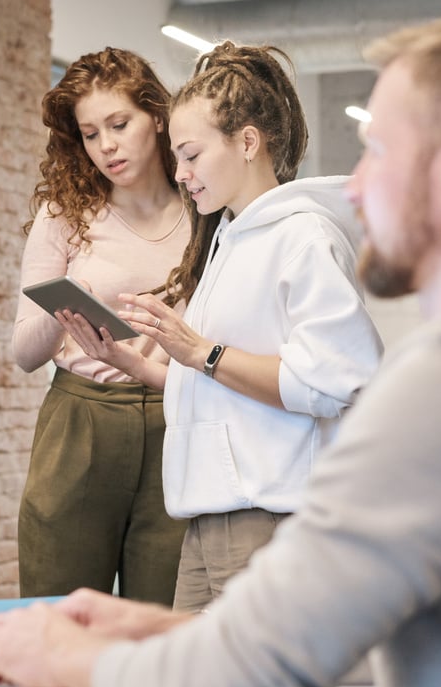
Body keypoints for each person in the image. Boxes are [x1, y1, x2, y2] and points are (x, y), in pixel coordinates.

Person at [0, 11, 441, 687]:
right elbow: (373, 650)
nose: (352, 183)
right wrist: (164, 633)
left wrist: (54, 653)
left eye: (375, 149)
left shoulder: (439, 385)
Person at [61, 41, 383, 612]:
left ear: (248, 142)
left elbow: (335, 381)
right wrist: (135, 363)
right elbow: (221, 387)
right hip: (208, 522)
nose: (180, 176)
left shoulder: (301, 237)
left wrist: (201, 351)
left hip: (267, 520)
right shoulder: (230, 241)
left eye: (190, 155)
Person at [13, 47, 189, 603]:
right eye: (90, 134)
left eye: (119, 124)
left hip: (177, 420)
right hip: (80, 418)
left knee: (163, 622)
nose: (106, 146)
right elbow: (23, 353)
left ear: (156, 118)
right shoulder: (65, 213)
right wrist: (63, 309)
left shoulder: (205, 211)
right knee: (57, 610)